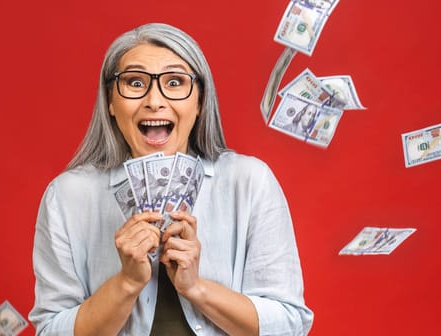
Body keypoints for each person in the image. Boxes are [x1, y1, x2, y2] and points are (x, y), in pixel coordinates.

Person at [29, 23, 313, 336]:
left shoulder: (249, 182)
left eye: (175, 82)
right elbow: (51, 331)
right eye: (135, 82)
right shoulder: (67, 197)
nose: (154, 100)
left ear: (200, 101)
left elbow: (289, 324)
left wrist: (197, 288)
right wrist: (126, 283)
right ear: (111, 101)